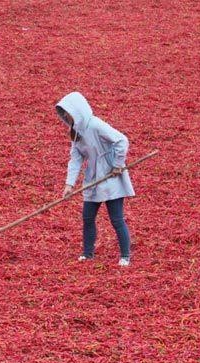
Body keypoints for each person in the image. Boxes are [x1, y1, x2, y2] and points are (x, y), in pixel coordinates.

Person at [55, 92, 135, 266]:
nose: (66, 117)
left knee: (116, 218)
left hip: (110, 175)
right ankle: (87, 253)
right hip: (93, 178)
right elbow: (75, 159)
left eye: (68, 112)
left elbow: (122, 140)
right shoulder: (75, 133)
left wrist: (117, 164)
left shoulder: (96, 125)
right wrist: (69, 184)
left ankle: (125, 256)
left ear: (77, 111)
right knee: (87, 217)